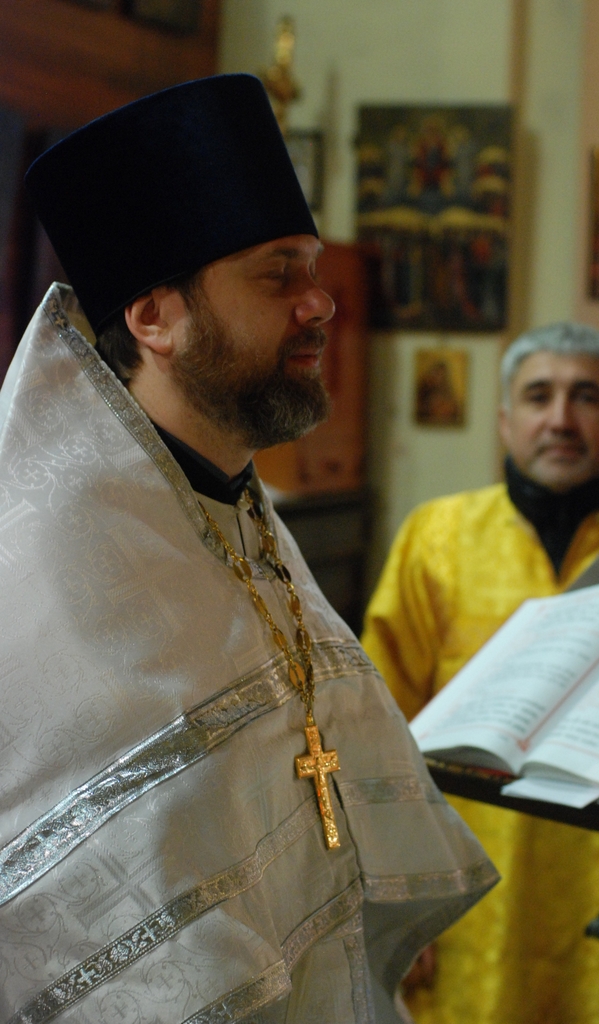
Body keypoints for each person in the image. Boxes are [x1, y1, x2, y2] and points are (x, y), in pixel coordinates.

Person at [0, 76, 498, 1023]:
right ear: (154, 316)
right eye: (278, 277)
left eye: (313, 271)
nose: (321, 305)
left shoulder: (236, 506)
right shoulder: (37, 562)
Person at [362, 322, 599, 1024]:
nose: (560, 418)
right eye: (539, 396)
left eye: (586, 397)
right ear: (505, 420)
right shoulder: (437, 537)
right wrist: (392, 897)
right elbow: (372, 728)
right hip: (471, 899)